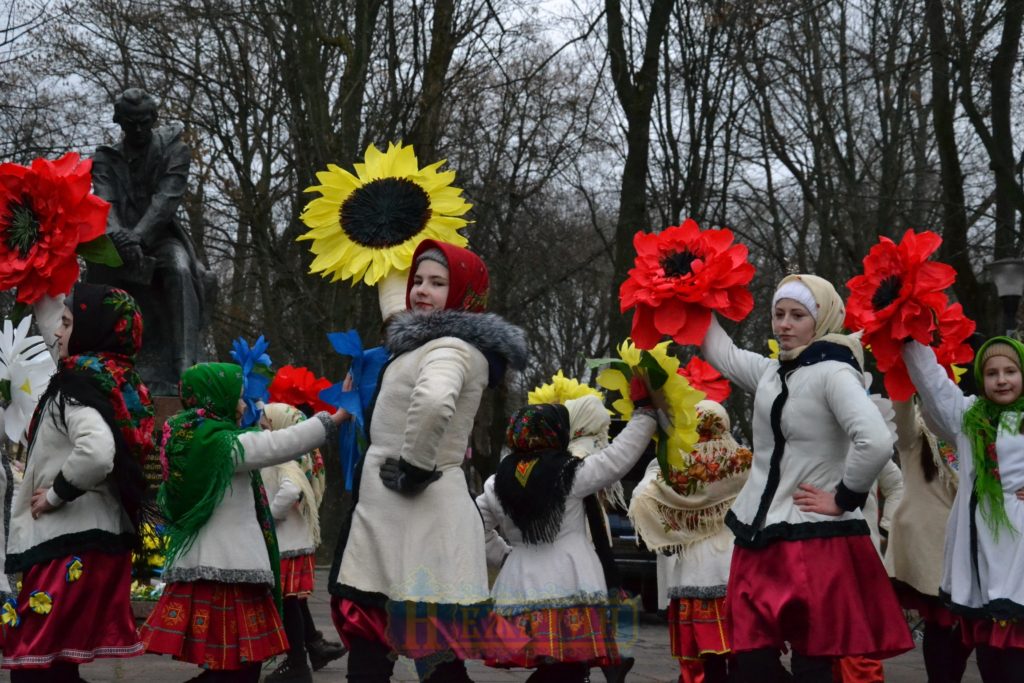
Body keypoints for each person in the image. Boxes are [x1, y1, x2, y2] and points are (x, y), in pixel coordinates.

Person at [328, 239, 528, 683]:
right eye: (417, 279)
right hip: (399, 519)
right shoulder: (431, 343)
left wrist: (415, 467)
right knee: (392, 641)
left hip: (413, 514)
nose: (421, 289)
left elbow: (435, 401)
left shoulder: (450, 347)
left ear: (463, 296)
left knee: (406, 642)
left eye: (438, 283)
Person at [700, 273, 913, 683]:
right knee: (750, 657)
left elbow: (874, 440)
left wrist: (844, 497)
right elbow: (719, 350)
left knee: (813, 660)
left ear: (822, 320)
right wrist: (685, 296)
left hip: (813, 537)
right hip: (758, 535)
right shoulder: (769, 372)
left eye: (797, 315)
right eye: (779, 314)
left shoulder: (835, 372)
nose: (784, 324)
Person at [139, 363, 351, 682]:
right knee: (238, 671)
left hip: (211, 570)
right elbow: (280, 444)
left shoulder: (188, 436)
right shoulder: (221, 446)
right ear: (216, 398)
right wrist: (336, 417)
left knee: (231, 668)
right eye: (238, 397)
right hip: (229, 574)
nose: (243, 405)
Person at [3, 283, 154, 681]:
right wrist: (35, 269)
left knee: (34, 668)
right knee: (58, 665)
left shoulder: (76, 389)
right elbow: (59, 321)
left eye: (68, 325)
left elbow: (97, 452)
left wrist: (56, 494)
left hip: (66, 544)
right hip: (97, 540)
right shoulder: (113, 381)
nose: (57, 334)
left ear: (89, 330)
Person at [476, 393, 660, 682]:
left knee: (555, 666)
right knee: (568, 667)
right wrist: (645, 415)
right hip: (570, 579)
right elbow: (618, 458)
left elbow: (477, 530)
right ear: (555, 433)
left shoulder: (495, 482)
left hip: (520, 583)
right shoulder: (569, 473)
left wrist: (505, 555)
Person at [902, 336, 1024, 681]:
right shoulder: (969, 419)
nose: (1001, 379)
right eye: (992, 373)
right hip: (982, 572)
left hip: (1019, 570)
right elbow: (932, 382)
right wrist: (908, 333)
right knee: (992, 667)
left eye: (1011, 371)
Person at [90, 87, 210, 394]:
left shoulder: (174, 150)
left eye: (145, 121)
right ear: (121, 122)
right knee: (94, 280)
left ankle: (184, 365)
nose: (139, 129)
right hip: (117, 241)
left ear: (154, 119)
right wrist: (121, 240)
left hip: (158, 237)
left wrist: (138, 238)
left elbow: (166, 200)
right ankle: (98, 366)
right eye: (132, 123)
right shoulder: (105, 158)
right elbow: (105, 203)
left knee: (180, 270)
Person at [629, 399, 752, 683]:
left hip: (693, 568)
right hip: (736, 564)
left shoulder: (674, 466)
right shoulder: (744, 461)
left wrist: (676, 527)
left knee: (705, 662)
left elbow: (641, 500)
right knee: (742, 653)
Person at [883, 398, 971, 683]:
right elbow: (903, 415)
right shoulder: (916, 428)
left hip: (969, 542)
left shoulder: (969, 425)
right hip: (930, 544)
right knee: (942, 624)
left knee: (972, 625)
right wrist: (902, 376)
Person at [260, 403, 347, 683]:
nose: (261, 425)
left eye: (266, 422)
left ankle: (297, 662)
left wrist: (270, 518)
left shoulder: (284, 458)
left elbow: (290, 490)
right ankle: (306, 653)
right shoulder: (299, 457)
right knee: (292, 604)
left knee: (288, 605)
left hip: (287, 545)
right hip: (296, 543)